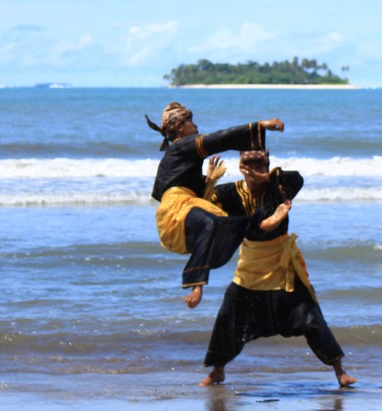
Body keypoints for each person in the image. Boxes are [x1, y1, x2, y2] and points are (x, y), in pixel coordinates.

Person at [199, 150, 357, 387]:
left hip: (282, 265)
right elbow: (203, 206)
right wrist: (210, 180)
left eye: (259, 163)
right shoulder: (230, 192)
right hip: (251, 264)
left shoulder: (278, 189)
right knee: (228, 314)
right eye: (247, 163)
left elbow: (297, 179)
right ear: (240, 166)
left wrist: (264, 178)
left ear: (267, 165)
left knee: (310, 315)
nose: (252, 167)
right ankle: (217, 370)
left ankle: (339, 371)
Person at [146, 102, 284, 308]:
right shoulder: (182, 146)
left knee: (225, 223)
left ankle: (258, 225)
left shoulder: (177, 155)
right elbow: (219, 139)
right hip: (176, 211)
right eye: (190, 121)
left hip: (181, 211)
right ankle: (196, 285)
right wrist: (260, 126)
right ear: (179, 127)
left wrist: (208, 181)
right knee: (211, 224)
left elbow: (171, 187)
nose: (196, 125)